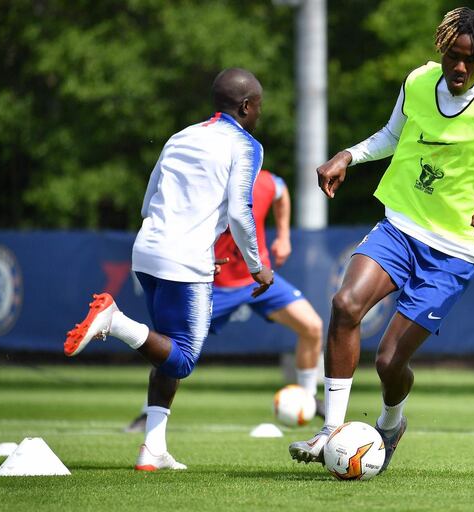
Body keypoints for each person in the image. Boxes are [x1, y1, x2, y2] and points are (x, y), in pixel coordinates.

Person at [289, 7, 474, 472]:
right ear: (442, 51)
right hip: (400, 226)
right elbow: (393, 135)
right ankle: (331, 429)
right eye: (453, 56)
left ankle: (391, 423)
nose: (459, 68)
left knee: (389, 363)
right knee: (346, 304)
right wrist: (348, 155)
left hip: (454, 252)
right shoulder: (417, 81)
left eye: (469, 61)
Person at [64, 67, 274, 470]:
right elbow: (240, 212)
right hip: (183, 259)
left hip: (147, 251)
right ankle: (113, 321)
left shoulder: (181, 136)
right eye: (258, 107)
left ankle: (153, 449)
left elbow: (149, 200)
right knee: (182, 359)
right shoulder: (246, 145)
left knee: (165, 351)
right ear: (247, 106)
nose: (259, 114)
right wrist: (256, 266)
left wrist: (191, 244)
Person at [123, 169, 325, 433]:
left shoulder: (262, 182)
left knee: (312, 326)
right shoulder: (204, 190)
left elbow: (281, 189)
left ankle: (308, 398)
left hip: (258, 277)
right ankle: (147, 413)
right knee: (177, 349)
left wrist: (284, 237)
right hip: (213, 285)